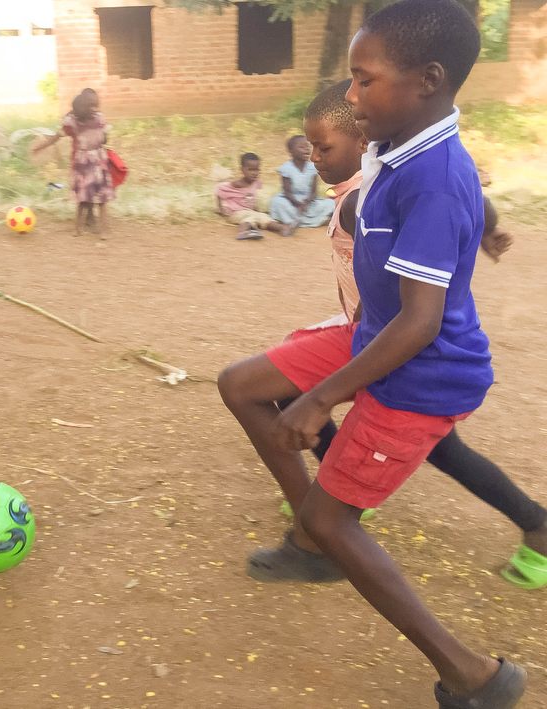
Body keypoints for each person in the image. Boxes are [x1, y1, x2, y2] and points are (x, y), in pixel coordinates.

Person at [218, 1, 527, 705]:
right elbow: (458, 201)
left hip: (421, 371)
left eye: (364, 80)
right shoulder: (399, 145)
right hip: (373, 337)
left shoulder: (432, 175)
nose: (352, 96)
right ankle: (311, 538)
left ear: (428, 79)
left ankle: (475, 675)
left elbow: (420, 322)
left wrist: (322, 395)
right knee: (242, 384)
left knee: (334, 518)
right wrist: (485, 225)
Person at [282, 77, 547, 587]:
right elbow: (465, 191)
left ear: (361, 139)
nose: (313, 157)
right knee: (442, 448)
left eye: (324, 147)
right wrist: (489, 226)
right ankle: (535, 524)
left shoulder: (370, 194)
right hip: (377, 335)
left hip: (396, 345)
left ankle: (336, 501)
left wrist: (486, 227)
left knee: (308, 394)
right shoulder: (383, 169)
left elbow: (451, 198)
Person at [32, 89, 115, 237]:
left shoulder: (73, 122)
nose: (96, 108)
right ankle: (98, 230)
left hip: (86, 164)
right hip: (94, 163)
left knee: (84, 197)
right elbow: (104, 139)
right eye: (93, 106)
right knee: (97, 199)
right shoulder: (95, 120)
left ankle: (81, 228)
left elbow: (56, 137)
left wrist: (40, 147)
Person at [268, 135, 335, 235]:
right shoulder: (286, 168)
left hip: (309, 202)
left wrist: (306, 204)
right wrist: (298, 204)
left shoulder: (313, 167)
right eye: (302, 147)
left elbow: (313, 192)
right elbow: (287, 192)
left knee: (331, 203)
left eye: (308, 146)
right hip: (291, 201)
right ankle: (316, 220)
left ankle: (295, 221)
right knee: (277, 202)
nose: (307, 149)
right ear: (291, 151)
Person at [214, 153, 288, 240]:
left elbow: (253, 197)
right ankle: (242, 232)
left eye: (257, 170)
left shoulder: (256, 182)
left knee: (263, 216)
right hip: (235, 213)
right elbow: (219, 190)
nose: (254, 173)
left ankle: (282, 228)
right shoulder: (237, 184)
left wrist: (256, 209)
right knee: (251, 217)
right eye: (251, 170)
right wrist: (221, 209)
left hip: (249, 211)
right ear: (242, 170)